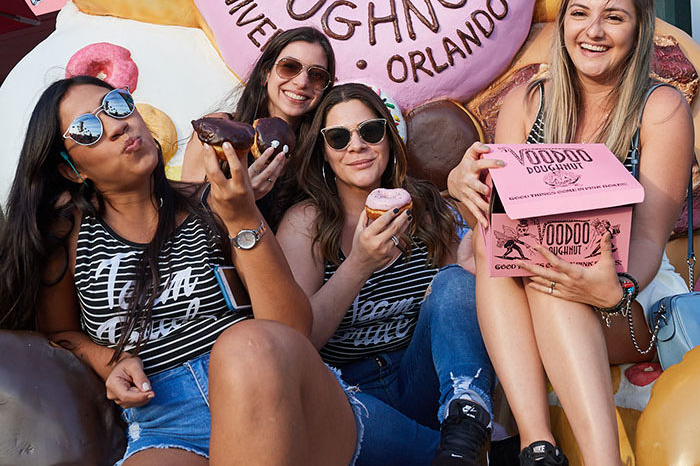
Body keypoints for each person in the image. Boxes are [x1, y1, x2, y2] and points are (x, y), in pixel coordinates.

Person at [0, 76, 359, 465]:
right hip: (165, 422)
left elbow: (290, 330)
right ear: (72, 170)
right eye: (87, 129)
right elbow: (58, 333)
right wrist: (109, 360)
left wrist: (242, 216)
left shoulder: (216, 204)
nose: (118, 125)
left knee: (247, 344)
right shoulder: (69, 236)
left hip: (267, 392)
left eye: (118, 105)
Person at [447, 0, 694, 466]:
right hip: (544, 279)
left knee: (551, 278)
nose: (594, 31)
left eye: (614, 17)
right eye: (580, 14)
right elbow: (502, 224)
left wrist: (613, 286)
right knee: (503, 258)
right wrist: (466, 188)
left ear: (640, 27)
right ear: (564, 24)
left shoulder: (660, 108)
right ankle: (539, 448)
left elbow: (649, 239)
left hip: (631, 293)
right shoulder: (528, 102)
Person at [277, 82, 495, 466]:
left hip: (421, 380)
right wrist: (358, 264)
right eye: (339, 138)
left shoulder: (425, 207)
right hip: (351, 396)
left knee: (457, 282)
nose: (357, 146)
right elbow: (300, 338)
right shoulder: (305, 224)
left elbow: (449, 312)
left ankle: (467, 422)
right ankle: (449, 453)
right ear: (325, 155)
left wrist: (466, 263)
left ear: (389, 140)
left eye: (371, 131)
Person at [182, 26, 336, 228]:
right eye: (289, 67)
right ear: (266, 73)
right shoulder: (216, 131)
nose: (301, 82)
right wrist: (241, 201)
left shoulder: (324, 153)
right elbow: (184, 221)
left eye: (316, 75)